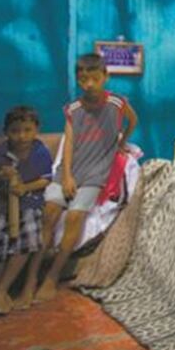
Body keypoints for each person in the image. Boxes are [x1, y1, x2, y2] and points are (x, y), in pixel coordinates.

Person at [28, 52, 137, 302]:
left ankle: (52, 277)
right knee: (50, 214)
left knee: (76, 216)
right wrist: (66, 176)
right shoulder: (73, 110)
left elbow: (133, 120)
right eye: (83, 79)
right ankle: (31, 277)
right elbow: (68, 144)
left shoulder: (117, 104)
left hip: (95, 172)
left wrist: (123, 141)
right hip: (70, 169)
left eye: (94, 79)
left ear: (105, 77)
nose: (89, 84)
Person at [0, 105, 53, 314]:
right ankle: (0, 290)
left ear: (36, 130)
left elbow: (45, 181)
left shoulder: (40, 151)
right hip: (2, 205)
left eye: (27, 130)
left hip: (30, 203)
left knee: (28, 239)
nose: (22, 136)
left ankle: (2, 289)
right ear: (6, 131)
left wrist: (24, 187)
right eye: (15, 131)